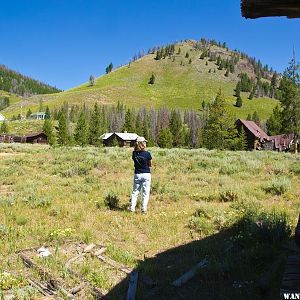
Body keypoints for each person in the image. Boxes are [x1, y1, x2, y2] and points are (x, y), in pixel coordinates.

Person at [129, 136, 152, 213]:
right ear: (143, 143)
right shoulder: (147, 154)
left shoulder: (134, 154)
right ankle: (144, 209)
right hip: (146, 174)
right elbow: (150, 164)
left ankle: (132, 208)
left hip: (137, 174)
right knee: (145, 192)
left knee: (135, 192)